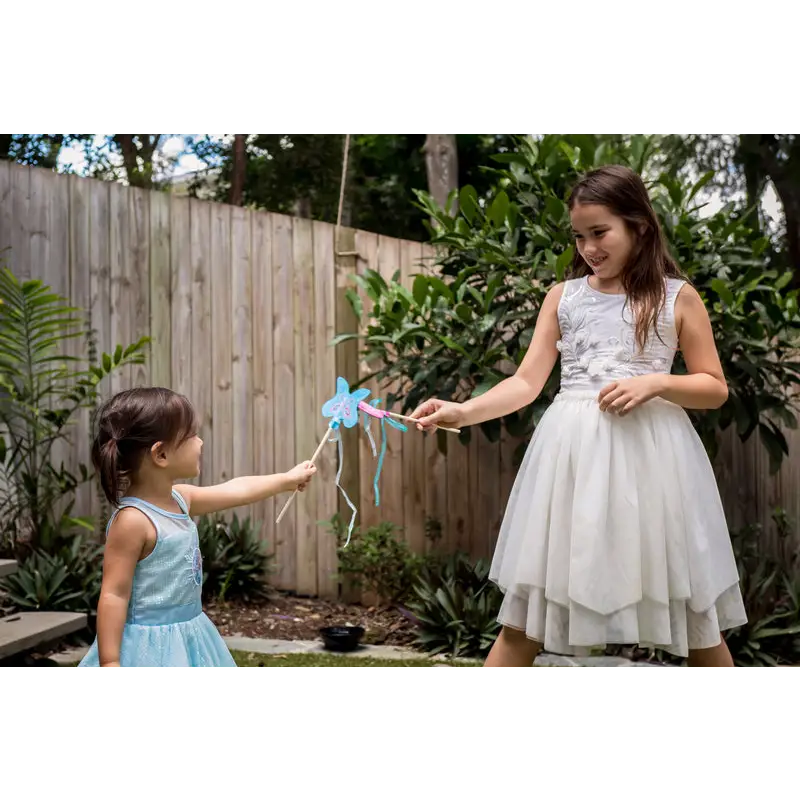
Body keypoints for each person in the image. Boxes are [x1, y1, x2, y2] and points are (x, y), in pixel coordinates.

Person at [411, 164, 747, 670]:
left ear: (639, 226)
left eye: (600, 232)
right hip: (571, 467)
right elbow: (525, 384)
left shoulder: (677, 297)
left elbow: (714, 388)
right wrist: (463, 410)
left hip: (654, 469)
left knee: (696, 618)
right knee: (524, 620)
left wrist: (656, 382)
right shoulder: (563, 299)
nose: (589, 247)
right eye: (579, 236)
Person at [78, 387, 316, 670]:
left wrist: (285, 480)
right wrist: (111, 661)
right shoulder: (133, 521)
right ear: (161, 454)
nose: (200, 442)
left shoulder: (181, 499)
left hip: (190, 635)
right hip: (148, 650)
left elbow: (235, 489)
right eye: (191, 436)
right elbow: (113, 594)